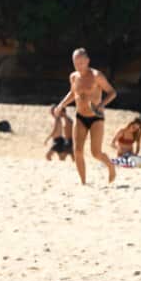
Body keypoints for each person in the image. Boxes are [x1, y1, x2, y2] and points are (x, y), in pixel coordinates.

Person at [54, 48, 117, 185]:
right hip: (80, 117)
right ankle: (83, 182)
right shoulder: (73, 77)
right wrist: (61, 105)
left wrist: (101, 104)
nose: (79, 65)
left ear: (87, 61)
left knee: (96, 153)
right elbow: (73, 93)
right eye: (76, 62)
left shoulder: (96, 75)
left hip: (96, 117)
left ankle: (111, 166)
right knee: (77, 151)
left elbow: (112, 92)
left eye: (82, 62)